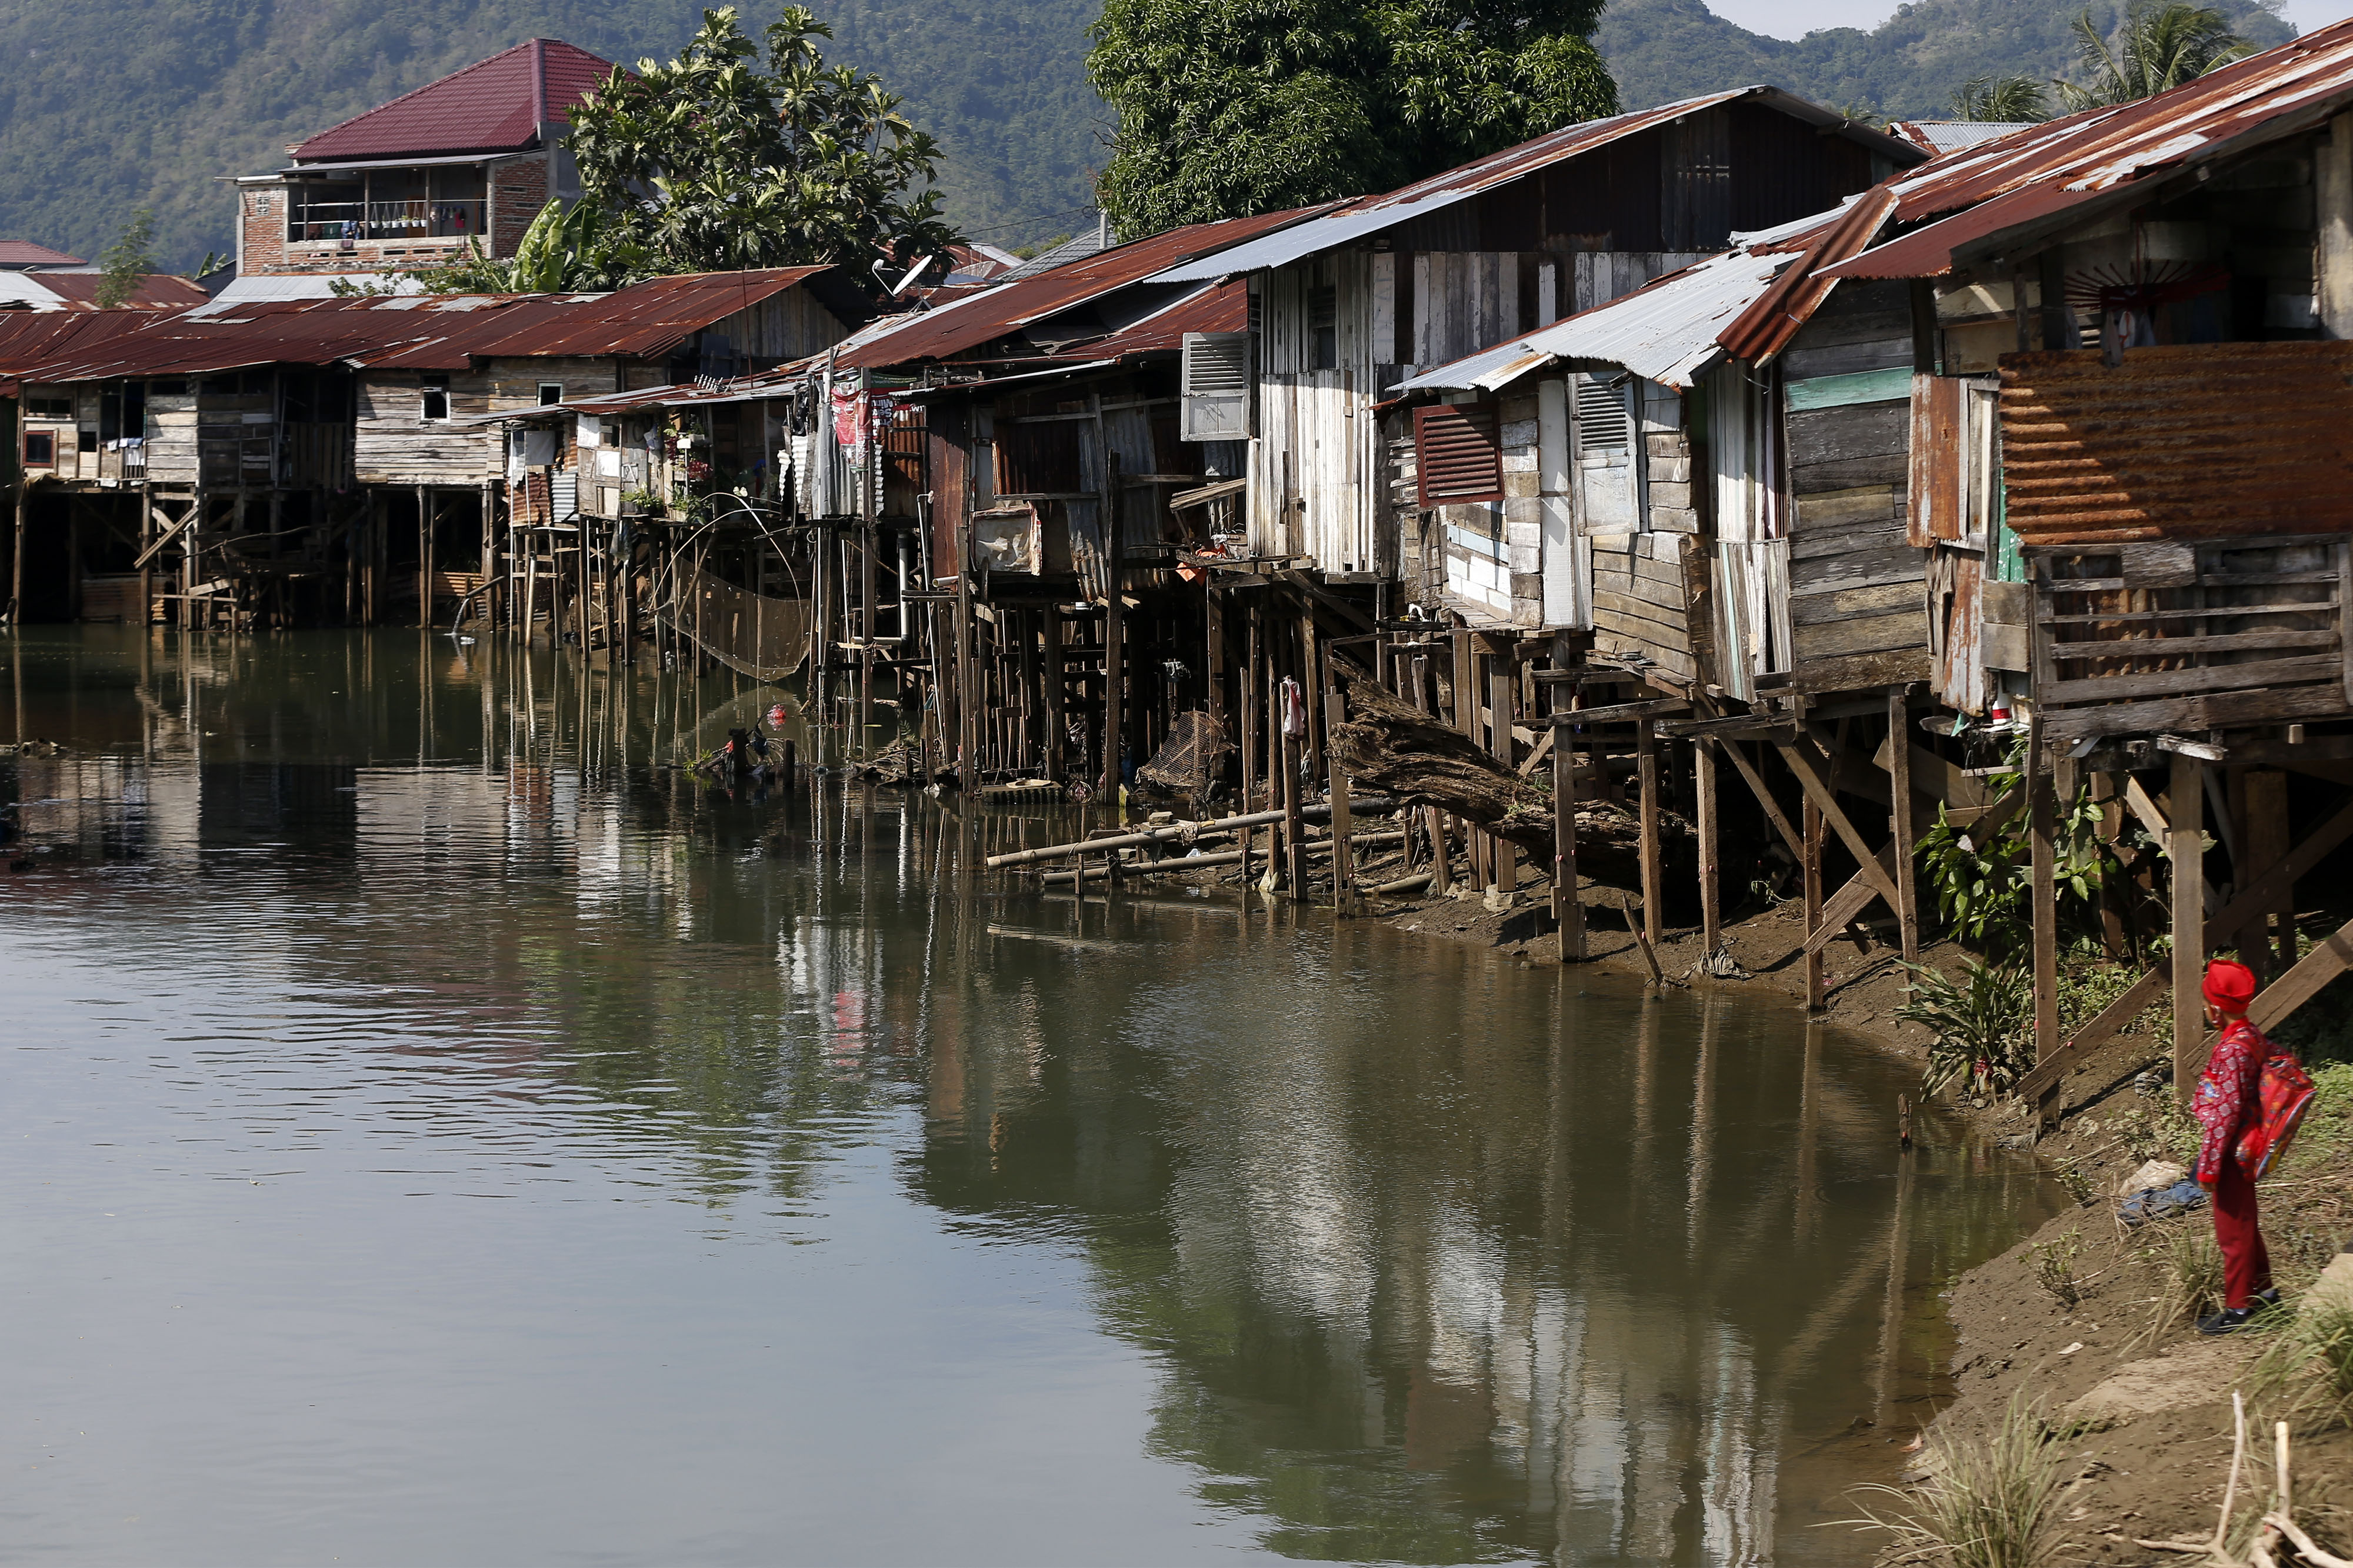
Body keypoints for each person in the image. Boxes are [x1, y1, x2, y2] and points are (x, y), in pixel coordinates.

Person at [2193, 958, 2282, 1334]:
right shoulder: (2250, 1035)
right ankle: (2265, 1293)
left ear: (2215, 1009)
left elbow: (2225, 1116)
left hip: (2232, 1150)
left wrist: (2208, 1166)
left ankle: (2239, 1309)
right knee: (2245, 1223)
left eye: (2205, 1004)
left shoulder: (2232, 1050)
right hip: (2249, 1143)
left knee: (2232, 1232)